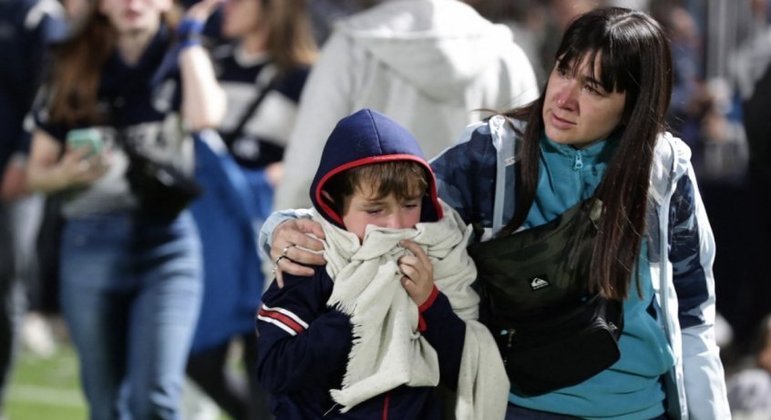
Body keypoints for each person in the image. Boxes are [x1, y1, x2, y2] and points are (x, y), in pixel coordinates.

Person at [262, 7, 730, 419]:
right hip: (518, 404)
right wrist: (280, 225)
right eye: (564, 71)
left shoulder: (667, 172)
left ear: (632, 107)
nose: (564, 97)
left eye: (593, 88)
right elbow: (386, 206)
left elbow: (692, 317)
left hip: (638, 409)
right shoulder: (494, 151)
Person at [24, 0, 226, 417]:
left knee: (155, 398)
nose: (133, 4)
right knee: (106, 403)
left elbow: (206, 117)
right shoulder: (71, 61)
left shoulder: (184, 52)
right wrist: (65, 172)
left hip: (168, 242)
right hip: (89, 239)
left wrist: (188, 38)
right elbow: (35, 172)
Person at [256, 108, 508, 419]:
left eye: (410, 205)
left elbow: (465, 372)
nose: (395, 223)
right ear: (336, 205)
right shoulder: (310, 260)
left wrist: (430, 303)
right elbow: (274, 370)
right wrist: (357, 313)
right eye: (375, 210)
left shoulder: (439, 254)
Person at [272, 0, 539, 211]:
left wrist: (280, 264)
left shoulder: (351, 47)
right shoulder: (508, 57)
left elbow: (305, 170)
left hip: (359, 263)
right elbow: (526, 180)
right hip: (470, 264)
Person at [185, 0, 316, 418]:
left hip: (272, 224)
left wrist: (262, 181)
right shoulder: (215, 62)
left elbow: (314, 151)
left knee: (264, 352)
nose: (225, 6)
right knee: (197, 355)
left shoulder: (306, 75)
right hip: (212, 227)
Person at [0, 0, 67, 414]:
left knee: (7, 281)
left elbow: (50, 90)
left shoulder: (39, 14)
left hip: (13, 176)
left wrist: (25, 157)